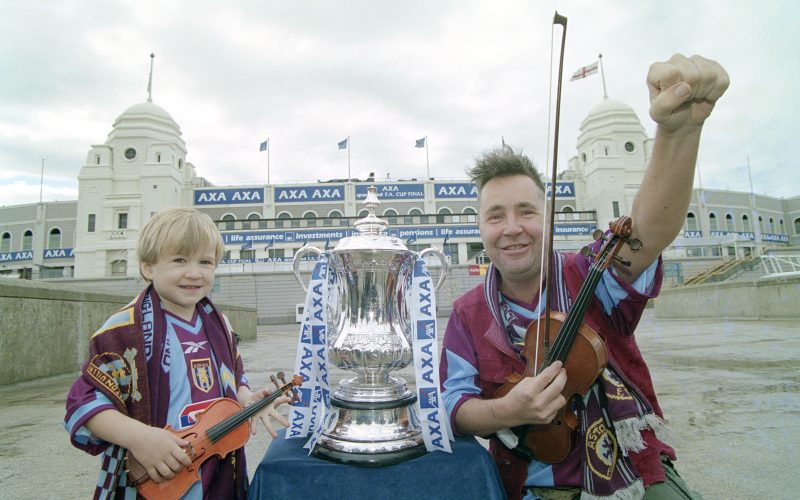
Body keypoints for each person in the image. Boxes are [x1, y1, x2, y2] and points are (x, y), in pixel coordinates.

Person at [440, 54, 729, 500]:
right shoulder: (466, 313)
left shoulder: (591, 272)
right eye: (495, 216)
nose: (512, 228)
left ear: (550, 219)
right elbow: (454, 406)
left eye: (526, 212)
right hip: (526, 487)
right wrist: (505, 410)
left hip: (632, 476)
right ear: (480, 229)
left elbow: (646, 233)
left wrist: (678, 132)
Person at [64, 208, 290, 499]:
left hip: (216, 473)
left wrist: (246, 399)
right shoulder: (123, 330)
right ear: (148, 267)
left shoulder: (219, 323)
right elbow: (83, 403)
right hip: (157, 476)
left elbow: (234, 377)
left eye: (205, 262)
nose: (194, 272)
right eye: (180, 260)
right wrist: (140, 438)